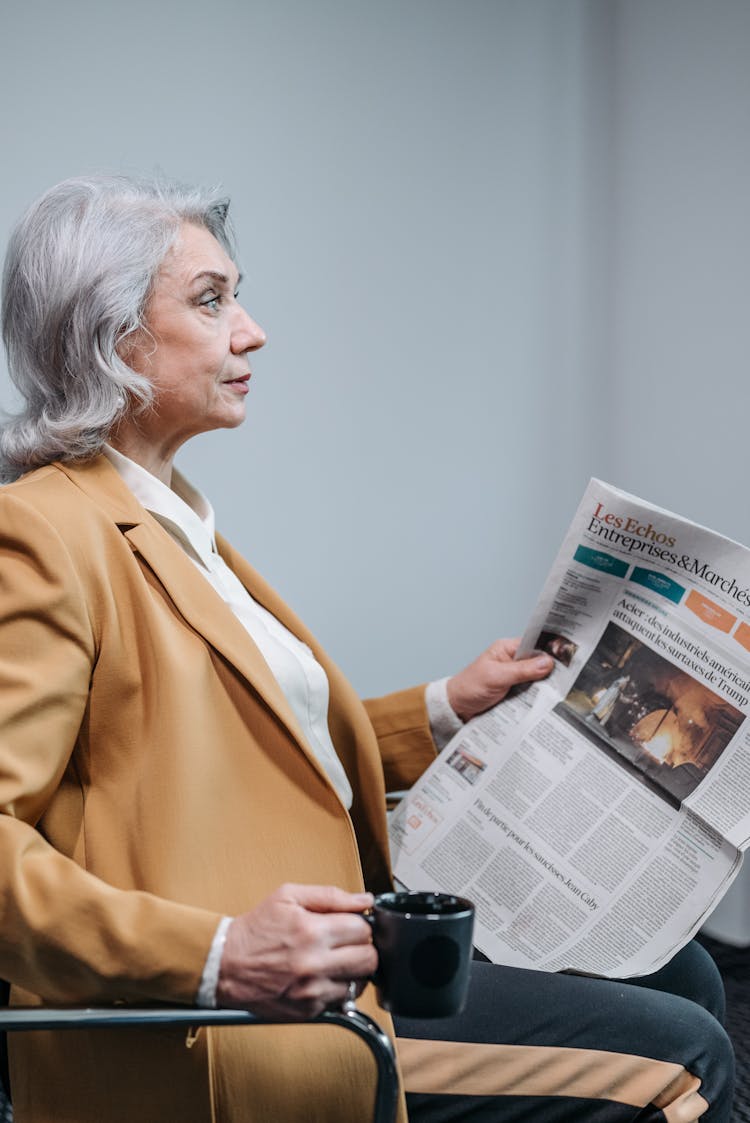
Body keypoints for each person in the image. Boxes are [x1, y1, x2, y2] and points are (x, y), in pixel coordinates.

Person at [0, 175, 733, 1123]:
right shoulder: (43, 536)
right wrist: (219, 952)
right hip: (249, 1021)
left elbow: (240, 746)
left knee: (688, 973)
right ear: (111, 335)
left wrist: (443, 709)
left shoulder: (172, 519)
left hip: (349, 938)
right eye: (212, 299)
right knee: (688, 1053)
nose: (251, 330)